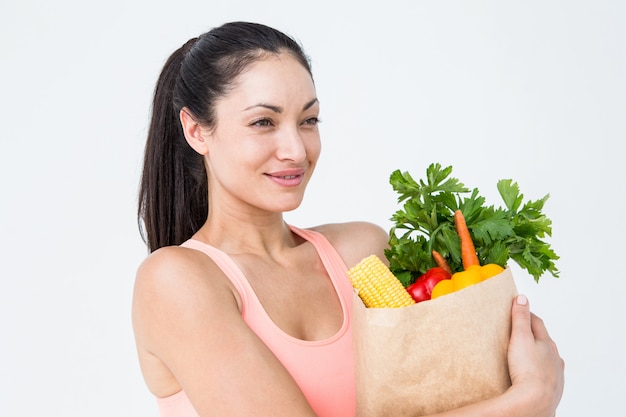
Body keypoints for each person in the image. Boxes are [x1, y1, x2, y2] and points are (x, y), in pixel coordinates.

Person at [132, 21, 564, 417]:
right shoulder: (176, 282)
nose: (296, 151)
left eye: (308, 120)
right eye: (263, 122)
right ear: (196, 131)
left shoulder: (362, 252)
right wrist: (528, 399)